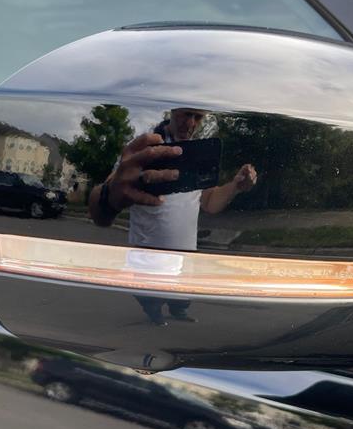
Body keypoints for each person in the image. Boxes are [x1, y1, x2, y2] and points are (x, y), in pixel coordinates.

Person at [88, 108, 257, 325]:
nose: (191, 123)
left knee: (182, 297)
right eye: (186, 114)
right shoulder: (146, 148)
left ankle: (179, 311)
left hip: (185, 255)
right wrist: (110, 196)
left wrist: (235, 186)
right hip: (148, 254)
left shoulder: (198, 153)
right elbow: (104, 201)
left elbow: (209, 202)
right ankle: (154, 315)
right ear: (173, 110)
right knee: (151, 298)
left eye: (198, 117)